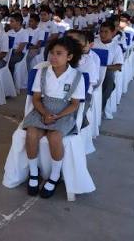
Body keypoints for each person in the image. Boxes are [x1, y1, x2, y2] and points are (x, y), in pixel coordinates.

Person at [22, 36, 85, 198]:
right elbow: (36, 98)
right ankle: (33, 172)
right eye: (51, 53)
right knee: (31, 133)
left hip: (63, 112)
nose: (53, 57)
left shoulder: (76, 76)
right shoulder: (42, 72)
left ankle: (55, 176)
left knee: (55, 136)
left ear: (69, 57)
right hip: (42, 109)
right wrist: (44, 113)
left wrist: (56, 116)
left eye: (59, 53)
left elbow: (75, 104)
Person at [93, 21, 123, 113]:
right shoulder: (93, 42)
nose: (103, 34)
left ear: (113, 33)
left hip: (106, 72)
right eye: (101, 31)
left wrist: (103, 67)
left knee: (109, 78)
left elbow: (118, 66)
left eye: (106, 32)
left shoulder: (116, 47)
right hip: (91, 70)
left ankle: (100, 108)